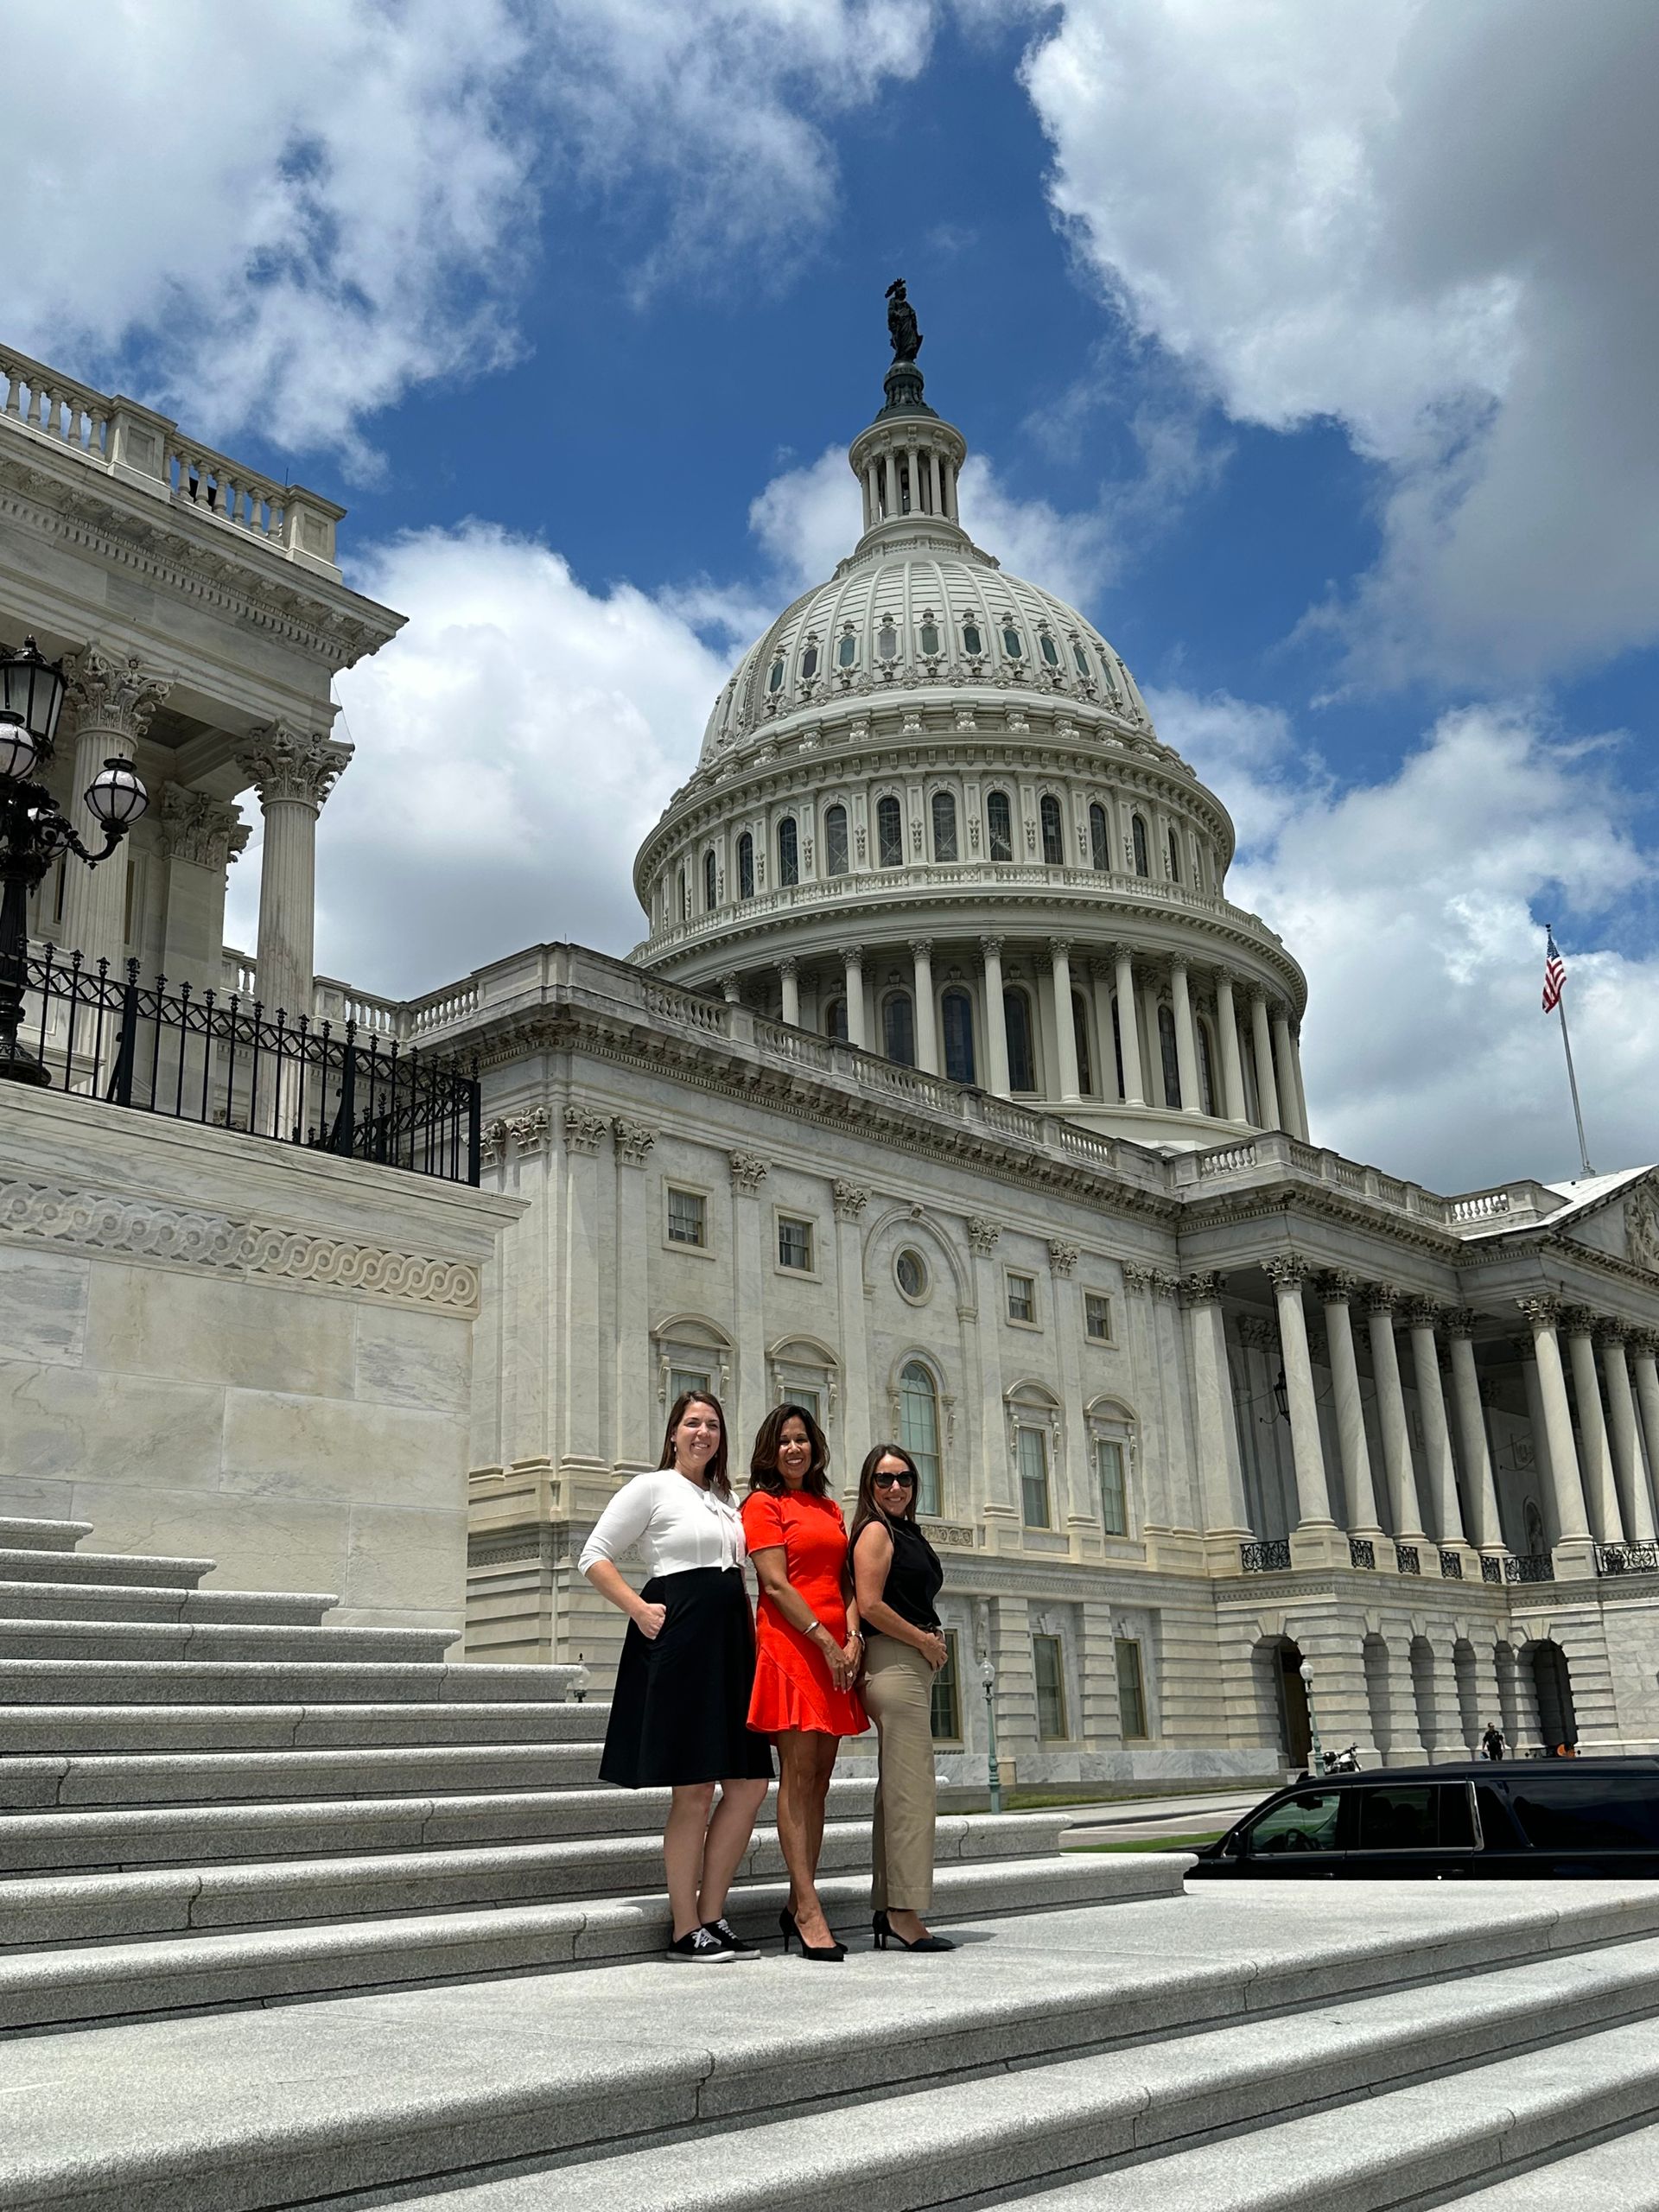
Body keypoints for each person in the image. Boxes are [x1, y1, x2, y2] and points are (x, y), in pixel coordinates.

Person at [579, 1389, 773, 1962]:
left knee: (748, 1784)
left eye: (712, 1425)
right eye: (692, 1423)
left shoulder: (728, 1498)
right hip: (680, 1635)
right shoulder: (651, 1487)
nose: (703, 1433)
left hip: (732, 1644)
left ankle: (713, 1915)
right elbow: (594, 1554)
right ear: (673, 1433)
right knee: (693, 1788)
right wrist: (638, 1610)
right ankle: (684, 1927)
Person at [742, 1403, 867, 1960]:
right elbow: (774, 1584)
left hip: (837, 1650)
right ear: (771, 1451)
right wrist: (826, 1642)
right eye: (785, 1442)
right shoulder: (763, 1504)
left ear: (815, 1448)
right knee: (796, 1775)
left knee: (820, 1778)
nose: (795, 1449)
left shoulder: (830, 1507)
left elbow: (845, 1583)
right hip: (793, 1645)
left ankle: (800, 1900)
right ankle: (809, 1907)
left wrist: (854, 1639)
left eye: (803, 1440)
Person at [850, 1442, 955, 1954]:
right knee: (913, 1794)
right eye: (884, 1480)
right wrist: (925, 1641)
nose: (895, 1488)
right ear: (869, 1486)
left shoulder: (907, 1531)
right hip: (894, 1663)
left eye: (905, 1479)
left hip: (908, 1663)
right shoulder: (876, 1531)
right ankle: (904, 1913)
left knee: (898, 1792)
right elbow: (869, 1604)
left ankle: (889, 1905)